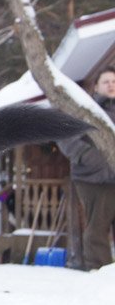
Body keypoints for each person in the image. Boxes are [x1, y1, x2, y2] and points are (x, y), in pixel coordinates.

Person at [58, 67, 115, 271]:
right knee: (97, 226)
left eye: (114, 81)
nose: (111, 85)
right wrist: (86, 156)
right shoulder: (85, 110)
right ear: (97, 87)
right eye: (106, 81)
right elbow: (65, 136)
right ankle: (99, 269)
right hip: (92, 178)